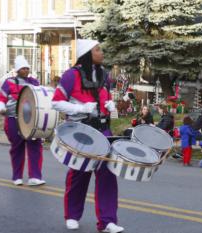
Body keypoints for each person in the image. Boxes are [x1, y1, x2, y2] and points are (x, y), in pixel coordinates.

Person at [51, 39, 124, 233]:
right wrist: (80, 108)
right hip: (80, 130)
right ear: (87, 54)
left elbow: (105, 98)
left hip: (102, 129)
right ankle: (72, 215)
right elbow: (56, 102)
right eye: (98, 50)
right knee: (79, 173)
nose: (102, 53)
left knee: (108, 174)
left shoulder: (104, 75)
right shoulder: (70, 75)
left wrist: (111, 105)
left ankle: (107, 221)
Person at [0, 55, 45, 186]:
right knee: (17, 148)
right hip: (13, 119)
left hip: (32, 120)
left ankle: (35, 176)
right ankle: (17, 176)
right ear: (17, 70)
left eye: (27, 68)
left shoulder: (34, 82)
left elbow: (41, 97)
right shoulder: (9, 82)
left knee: (35, 146)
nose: (26, 70)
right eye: (23, 68)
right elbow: (1, 98)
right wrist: (1, 106)